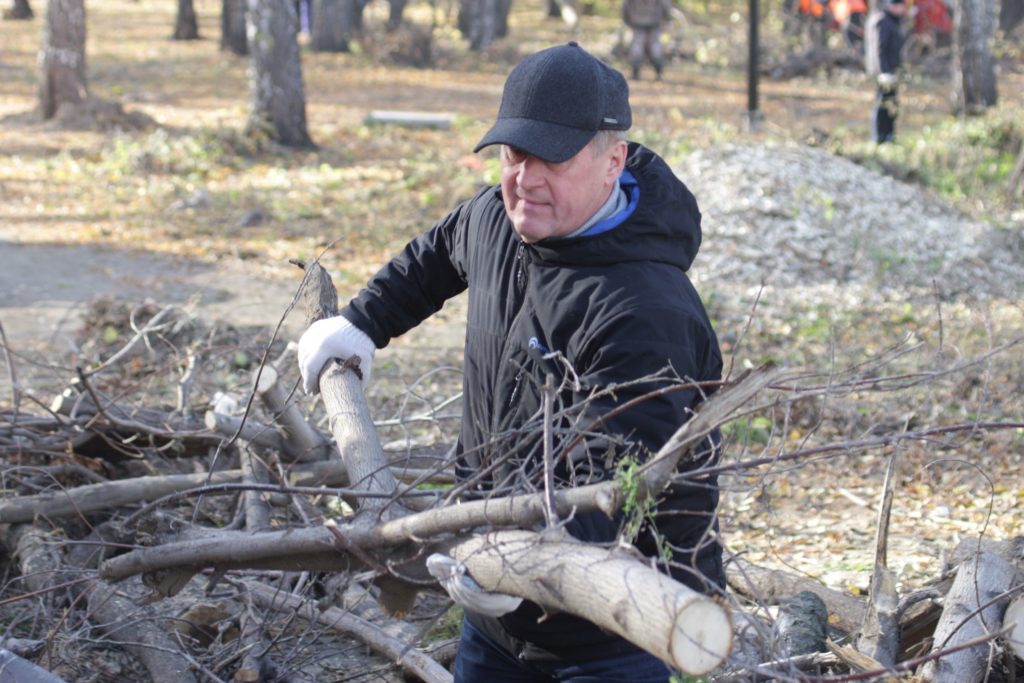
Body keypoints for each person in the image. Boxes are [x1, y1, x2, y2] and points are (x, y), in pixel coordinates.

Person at [298, 42, 724, 682]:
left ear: (614, 162)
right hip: (494, 616)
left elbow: (605, 493)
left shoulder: (644, 310)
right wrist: (363, 324)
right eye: (513, 153)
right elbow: (441, 250)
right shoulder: (501, 219)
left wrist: (515, 568)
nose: (525, 177)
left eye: (552, 158)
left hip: (611, 632)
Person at [865, 0, 906, 143]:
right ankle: (880, 136)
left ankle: (889, 135)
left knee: (891, 102)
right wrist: (884, 71)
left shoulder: (891, 20)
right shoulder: (882, 20)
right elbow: (879, 48)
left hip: (891, 70)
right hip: (884, 71)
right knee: (883, 103)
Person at [622, 0, 673, 80]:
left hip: (654, 26)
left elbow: (666, 9)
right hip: (638, 25)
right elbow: (625, 9)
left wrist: (666, 22)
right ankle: (635, 72)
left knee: (656, 50)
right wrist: (629, 23)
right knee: (637, 49)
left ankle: (659, 72)